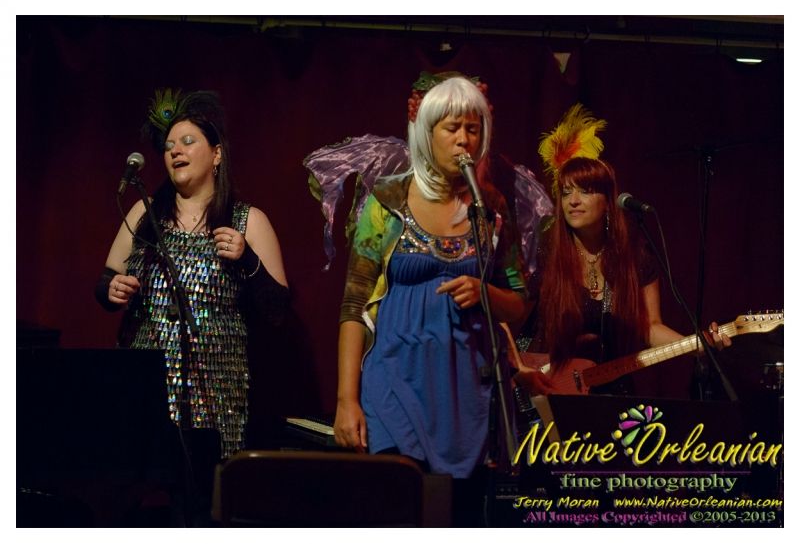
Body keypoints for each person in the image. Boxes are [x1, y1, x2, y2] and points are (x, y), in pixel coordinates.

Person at [333, 74, 528, 494]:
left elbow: (519, 304)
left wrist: (486, 294)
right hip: (394, 378)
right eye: (452, 128)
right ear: (427, 133)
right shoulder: (386, 201)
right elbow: (354, 305)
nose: (464, 140)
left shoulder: (490, 208)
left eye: (473, 129)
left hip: (465, 392)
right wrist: (346, 400)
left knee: (461, 509)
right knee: (400, 502)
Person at [95, 89, 289, 458]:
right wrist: (111, 289)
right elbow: (106, 280)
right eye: (169, 146)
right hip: (146, 383)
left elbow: (277, 310)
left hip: (215, 390)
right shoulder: (144, 212)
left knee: (202, 482)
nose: (175, 151)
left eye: (188, 142)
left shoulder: (248, 220)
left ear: (216, 154)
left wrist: (247, 260)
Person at [515, 150, 730, 396]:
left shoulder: (634, 258)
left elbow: (650, 327)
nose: (573, 201)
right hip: (545, 384)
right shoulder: (548, 253)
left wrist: (696, 345)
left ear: (608, 201)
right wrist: (519, 368)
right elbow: (512, 314)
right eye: (566, 192)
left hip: (607, 385)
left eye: (585, 191)